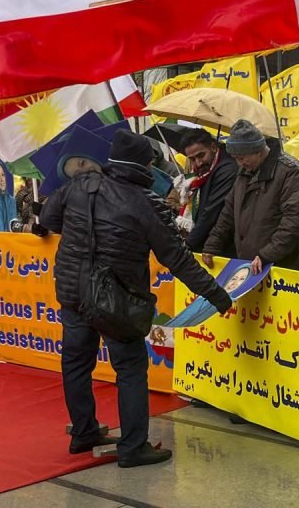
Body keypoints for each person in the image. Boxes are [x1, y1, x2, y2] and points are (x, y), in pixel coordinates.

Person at [38, 130, 233, 467]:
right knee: (129, 368)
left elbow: (49, 219)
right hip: (117, 299)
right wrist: (217, 294)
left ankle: (84, 433)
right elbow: (178, 258)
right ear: (146, 165)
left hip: (72, 291)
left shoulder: (79, 185)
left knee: (76, 363)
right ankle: (133, 446)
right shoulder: (146, 202)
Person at [201, 119, 299, 274]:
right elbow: (228, 212)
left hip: (284, 268)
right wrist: (212, 244)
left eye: (242, 158)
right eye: (236, 158)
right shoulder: (244, 173)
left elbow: (296, 220)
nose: (239, 163)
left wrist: (266, 255)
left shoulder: (291, 172)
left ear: (258, 151)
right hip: (251, 266)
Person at [179, 128, 238, 254]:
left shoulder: (227, 170)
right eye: (192, 159)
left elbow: (211, 212)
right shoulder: (203, 171)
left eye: (201, 155)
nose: (198, 163)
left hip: (223, 246)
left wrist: (188, 244)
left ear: (213, 147)